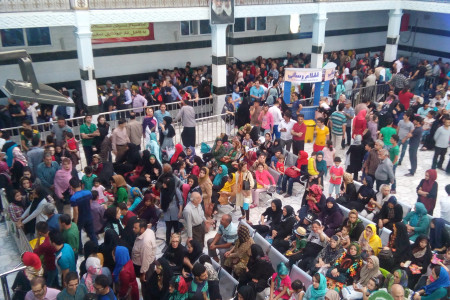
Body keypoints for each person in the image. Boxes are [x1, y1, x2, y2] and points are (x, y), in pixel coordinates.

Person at [69, 178, 97, 252]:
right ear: (80, 185)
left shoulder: (73, 198)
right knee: (92, 233)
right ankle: (96, 248)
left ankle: (80, 250)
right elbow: (90, 203)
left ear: (71, 187)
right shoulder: (88, 192)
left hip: (80, 218)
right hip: (89, 215)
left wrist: (75, 222)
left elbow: (76, 212)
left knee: (78, 235)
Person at [131, 219, 156, 283]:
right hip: (146, 263)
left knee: (144, 284)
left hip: (142, 266)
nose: (133, 229)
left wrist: (143, 273)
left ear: (142, 229)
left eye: (135, 228)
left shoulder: (145, 242)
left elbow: (145, 259)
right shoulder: (149, 231)